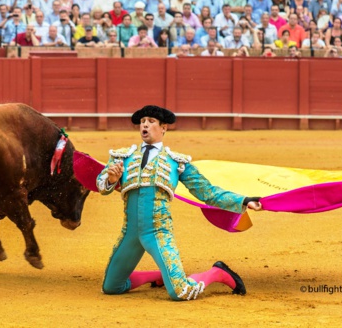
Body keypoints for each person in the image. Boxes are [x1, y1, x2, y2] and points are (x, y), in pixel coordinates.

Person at [97, 105, 262, 301]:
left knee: (179, 292)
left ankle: (217, 273)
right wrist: (111, 179)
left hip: (158, 232)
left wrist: (243, 201)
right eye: (142, 122)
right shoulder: (122, 157)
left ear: (163, 128)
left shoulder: (176, 162)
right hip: (130, 233)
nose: (145, 125)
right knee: (111, 287)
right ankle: (160, 275)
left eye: (150, 121)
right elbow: (101, 185)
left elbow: (207, 192)